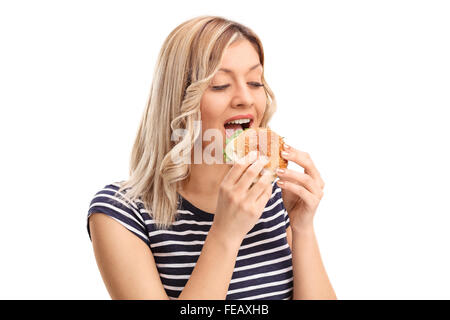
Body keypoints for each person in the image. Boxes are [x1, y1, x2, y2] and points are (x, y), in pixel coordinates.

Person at [86, 15, 337, 300]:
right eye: (219, 85)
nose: (245, 98)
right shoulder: (120, 212)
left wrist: (302, 226)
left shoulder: (273, 196)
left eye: (255, 82)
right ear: (179, 100)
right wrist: (225, 234)